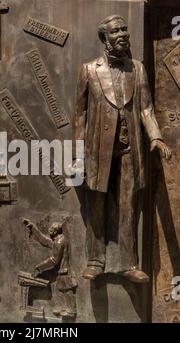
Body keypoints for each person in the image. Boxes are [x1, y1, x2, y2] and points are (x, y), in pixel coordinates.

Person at [72, 14, 171, 283]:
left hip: (130, 150)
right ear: (104, 37)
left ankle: (130, 263)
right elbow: (80, 117)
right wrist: (78, 156)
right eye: (116, 31)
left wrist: (156, 137)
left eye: (125, 29)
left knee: (128, 205)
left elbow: (147, 108)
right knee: (97, 203)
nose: (123, 34)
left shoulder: (137, 69)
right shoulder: (89, 70)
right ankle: (95, 260)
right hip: (97, 151)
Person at [23, 219, 78, 319]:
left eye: (51, 229)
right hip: (62, 270)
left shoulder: (60, 241)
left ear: (56, 231)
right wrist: (34, 229)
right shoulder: (58, 239)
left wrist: (39, 267)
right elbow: (45, 241)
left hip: (65, 270)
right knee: (60, 288)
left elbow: (54, 260)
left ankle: (71, 310)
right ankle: (63, 308)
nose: (49, 230)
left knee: (66, 289)